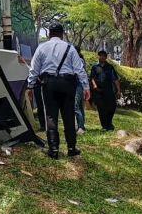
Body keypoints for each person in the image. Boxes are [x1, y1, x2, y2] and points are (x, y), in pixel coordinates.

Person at [26, 24, 90, 159]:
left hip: (48, 84)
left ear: (49, 34)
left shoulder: (41, 47)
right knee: (68, 115)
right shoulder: (70, 48)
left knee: (50, 116)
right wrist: (86, 87)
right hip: (68, 84)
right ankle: (71, 148)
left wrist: (30, 86)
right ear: (62, 34)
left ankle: (53, 149)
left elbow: (34, 69)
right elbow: (79, 70)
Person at [90, 50, 121, 131]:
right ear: (98, 56)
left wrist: (118, 90)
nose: (102, 57)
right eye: (100, 55)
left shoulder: (110, 67)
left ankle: (109, 123)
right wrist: (94, 85)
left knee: (112, 107)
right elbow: (92, 78)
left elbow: (115, 79)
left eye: (104, 55)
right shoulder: (95, 67)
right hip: (99, 91)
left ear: (106, 57)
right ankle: (104, 126)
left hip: (109, 90)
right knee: (101, 108)